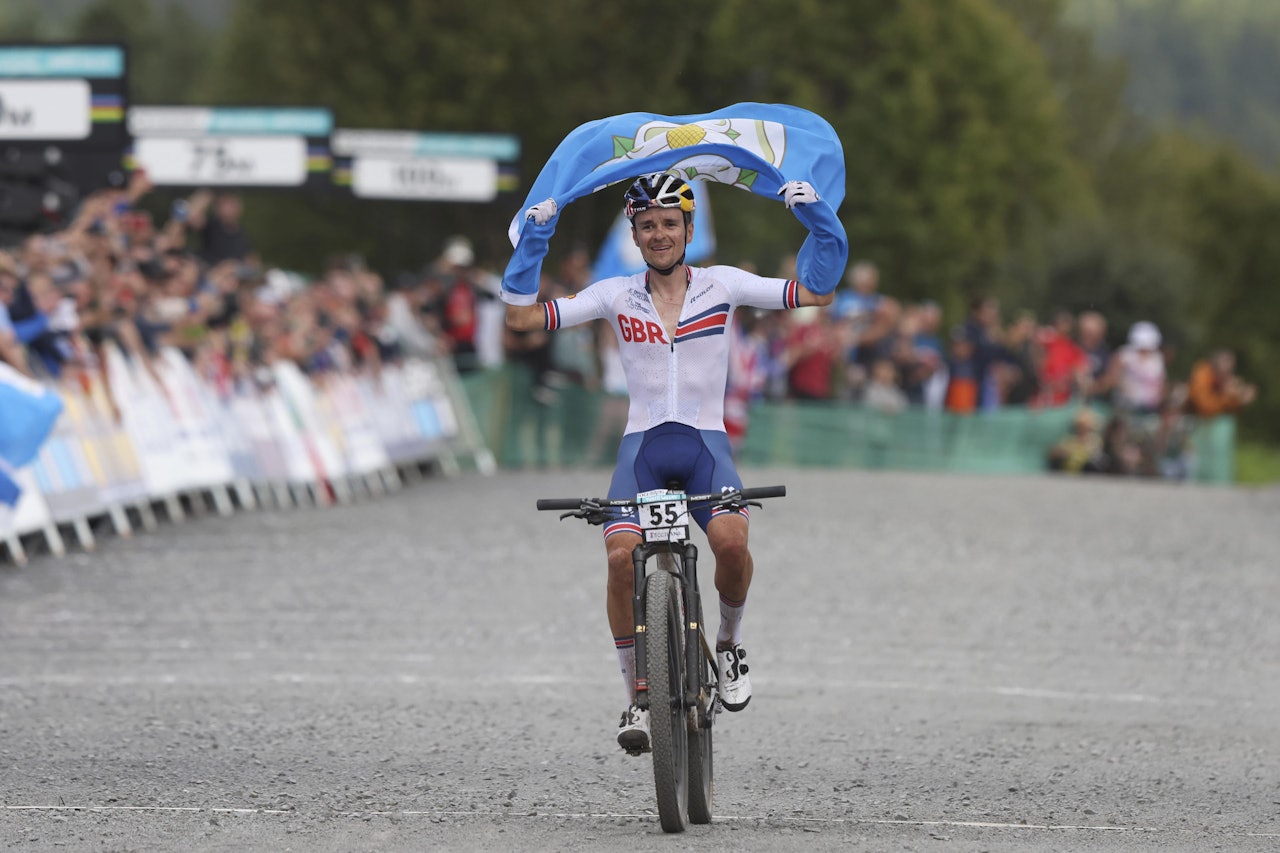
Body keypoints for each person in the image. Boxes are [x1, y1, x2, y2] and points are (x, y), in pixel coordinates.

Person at [504, 172, 836, 754]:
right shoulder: (614, 294)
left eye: (669, 223)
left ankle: (729, 645)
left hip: (706, 447)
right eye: (648, 225)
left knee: (732, 545)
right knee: (618, 560)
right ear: (635, 235)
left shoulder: (724, 285)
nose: (659, 234)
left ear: (689, 229)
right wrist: (534, 239)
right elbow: (522, 318)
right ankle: (637, 692)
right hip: (643, 451)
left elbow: (816, 293)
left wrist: (818, 218)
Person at [1186, 349, 1257, 417]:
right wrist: (1227, 397)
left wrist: (1240, 400)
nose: (1230, 374)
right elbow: (1204, 405)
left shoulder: (1223, 381)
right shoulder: (1202, 373)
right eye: (1227, 369)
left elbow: (1230, 411)